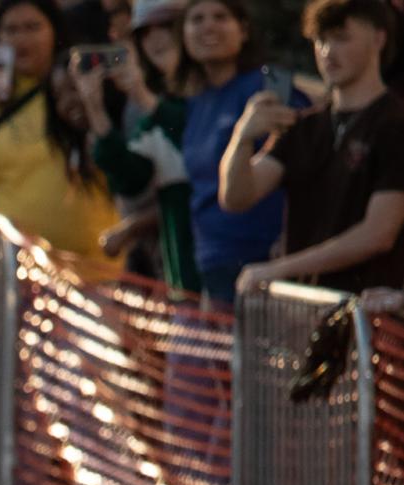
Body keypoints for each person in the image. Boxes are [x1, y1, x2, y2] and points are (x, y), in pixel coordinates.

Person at [0, 0, 123, 272]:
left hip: (94, 272)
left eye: (32, 27)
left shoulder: (84, 85)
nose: (21, 38)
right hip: (6, 270)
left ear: (55, 30)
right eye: (11, 30)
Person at [222, 0, 404, 295]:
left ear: (378, 38)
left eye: (341, 38)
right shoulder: (302, 126)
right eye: (320, 40)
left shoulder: (394, 124)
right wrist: (242, 138)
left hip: (369, 318)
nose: (327, 52)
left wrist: (280, 269)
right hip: (304, 311)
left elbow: (379, 233)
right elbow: (237, 198)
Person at [173, 0, 305, 303]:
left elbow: (303, 161)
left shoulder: (267, 87)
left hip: (262, 262)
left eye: (221, 17)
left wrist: (289, 235)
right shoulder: (196, 101)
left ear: (243, 30)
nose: (208, 26)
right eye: (197, 19)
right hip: (212, 264)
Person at [81, 0, 202, 291]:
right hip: (182, 282)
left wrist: (145, 99)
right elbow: (132, 179)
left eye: (167, 26)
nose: (157, 38)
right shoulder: (148, 106)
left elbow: (200, 154)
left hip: (237, 275)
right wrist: (94, 109)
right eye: (145, 32)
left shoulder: (226, 92)